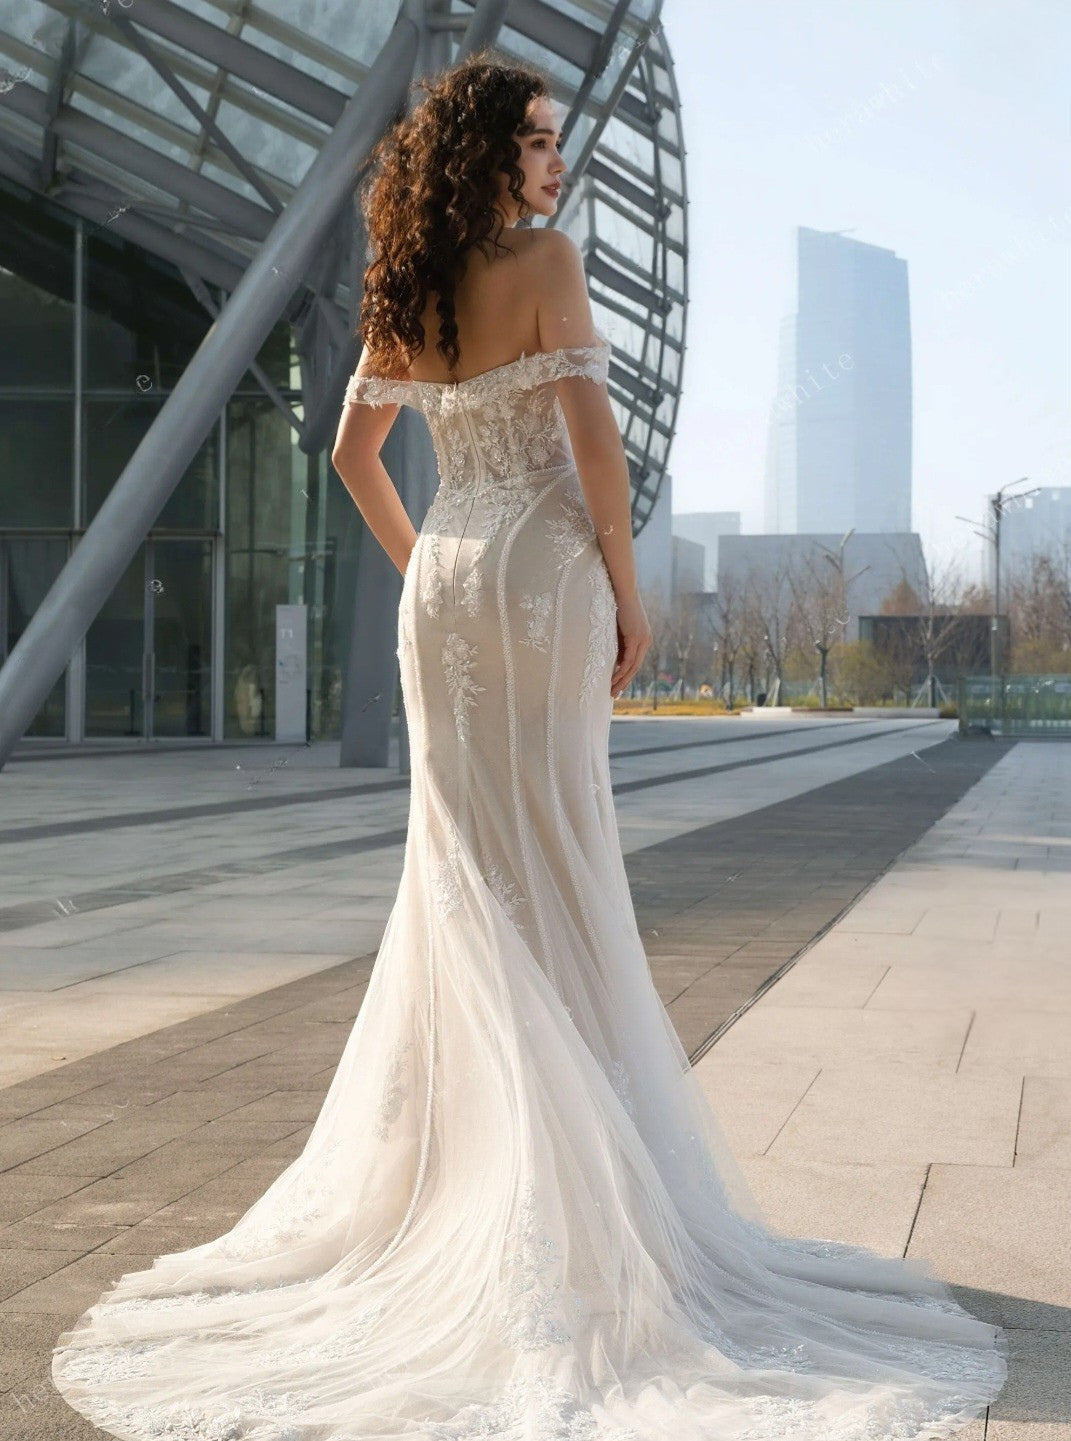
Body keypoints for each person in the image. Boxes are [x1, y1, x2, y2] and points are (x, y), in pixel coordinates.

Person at [52, 49, 1007, 1441]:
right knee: (559, 853)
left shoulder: (410, 277)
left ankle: (466, 1181)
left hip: (445, 579)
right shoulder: (546, 262)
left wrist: (428, 561)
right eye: (544, 139)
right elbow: (595, 448)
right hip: (547, 574)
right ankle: (570, 1195)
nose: (562, 161)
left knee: (462, 873)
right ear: (493, 150)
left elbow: (352, 455)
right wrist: (630, 591)